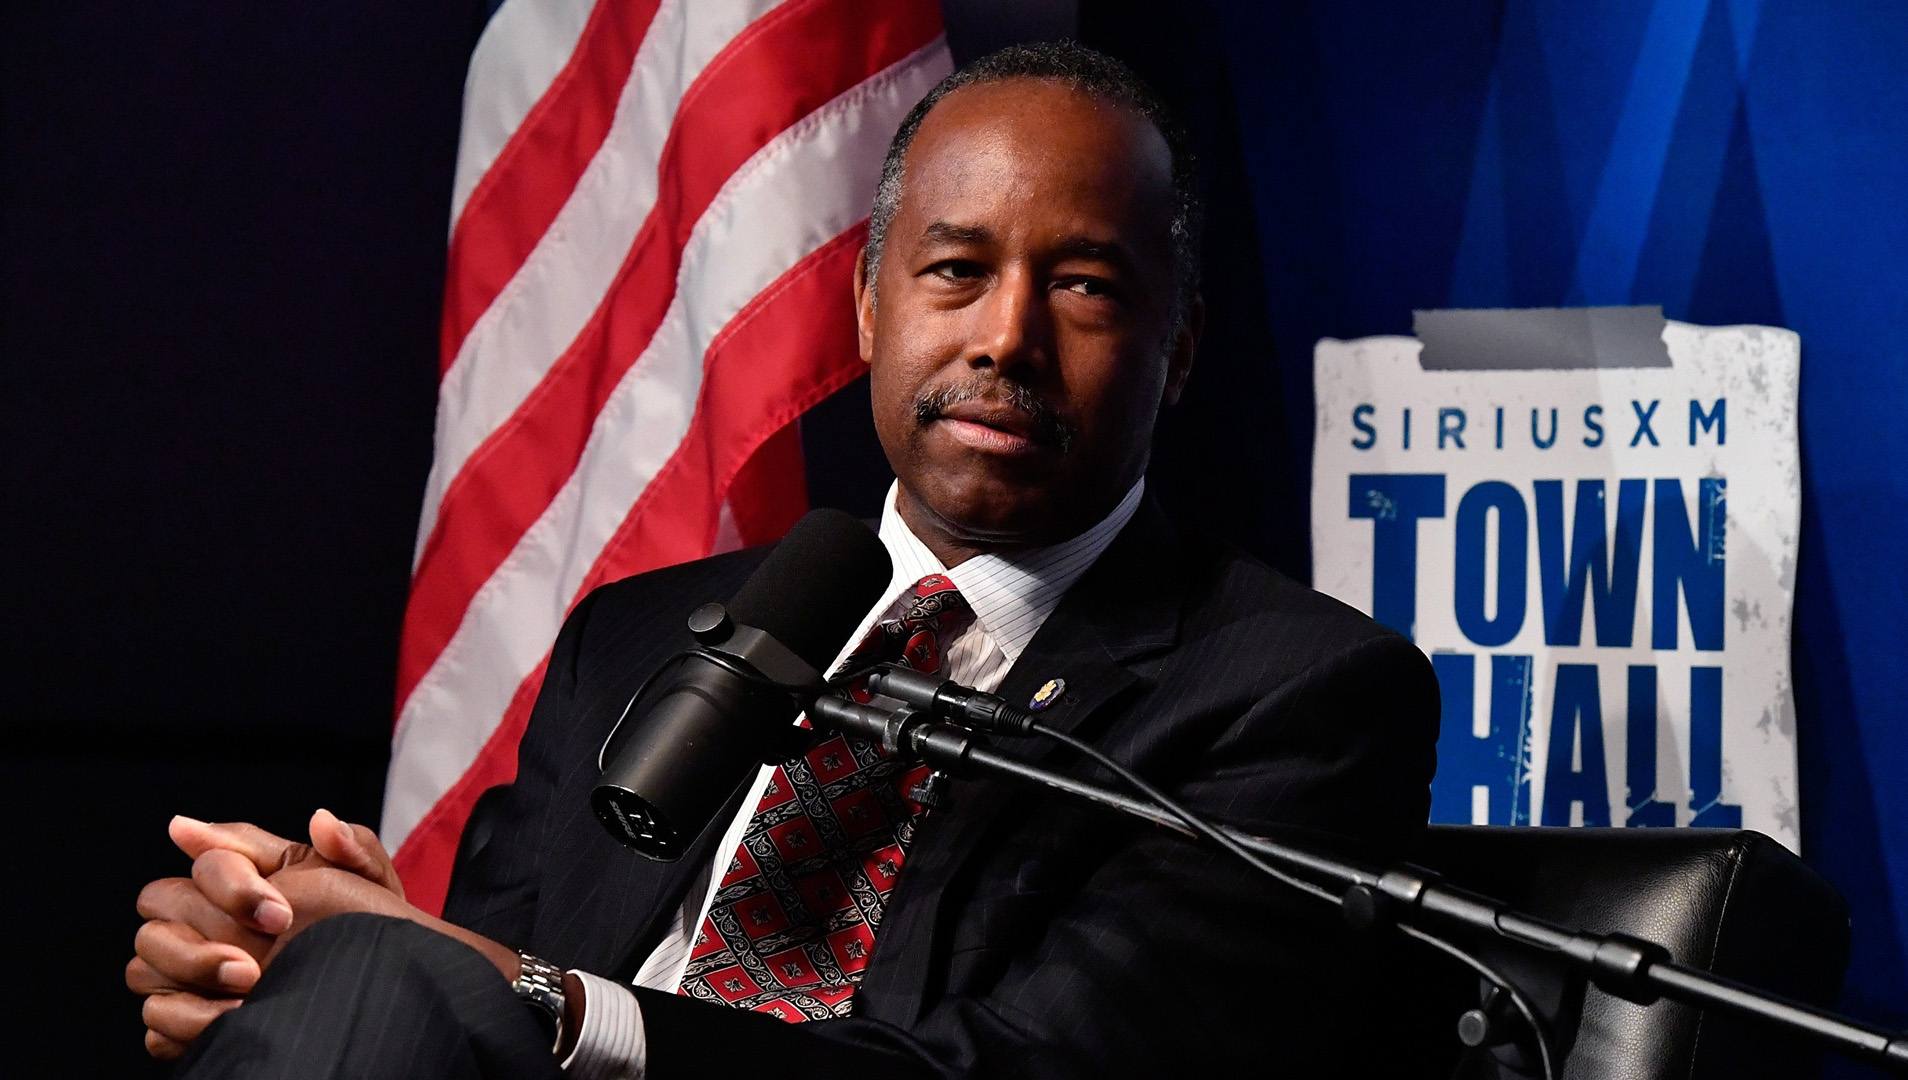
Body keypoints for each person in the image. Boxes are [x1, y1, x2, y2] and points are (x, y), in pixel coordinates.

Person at [127, 42, 1439, 1079]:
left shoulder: (1301, 695)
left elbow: (1037, 1067)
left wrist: (490, 985)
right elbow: (492, 975)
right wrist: (292, 939)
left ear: (1183, 345)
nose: (1005, 337)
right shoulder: (641, 634)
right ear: (870, 307)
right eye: (954, 270)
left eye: (1085, 285)